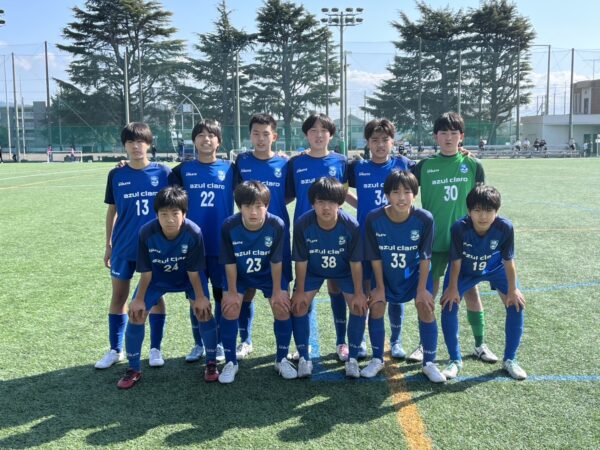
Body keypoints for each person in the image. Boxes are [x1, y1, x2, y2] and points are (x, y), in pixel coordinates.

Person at [409, 112, 496, 364]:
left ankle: (480, 344)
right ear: (435, 137)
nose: (448, 138)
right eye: (443, 133)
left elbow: (481, 203)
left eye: (454, 133)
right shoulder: (424, 166)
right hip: (433, 242)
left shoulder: (473, 165)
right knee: (429, 294)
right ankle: (424, 345)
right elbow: (402, 185)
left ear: (462, 136)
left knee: (471, 292)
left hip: (466, 241)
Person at [117, 186, 218, 389]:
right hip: (157, 279)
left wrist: (200, 297)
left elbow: (194, 271)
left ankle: (211, 363)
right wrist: (138, 299)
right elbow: (146, 272)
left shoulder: (193, 232)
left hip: (188, 278)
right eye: (163, 214)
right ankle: (133, 368)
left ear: (184, 214)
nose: (169, 219)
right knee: (136, 313)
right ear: (156, 215)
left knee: (204, 311)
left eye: (175, 213)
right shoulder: (146, 232)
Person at [96, 122, 172, 370]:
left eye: (141, 142)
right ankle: (115, 349)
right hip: (123, 246)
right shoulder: (116, 174)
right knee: (119, 296)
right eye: (130, 142)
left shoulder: (163, 173)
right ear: (124, 146)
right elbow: (112, 211)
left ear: (149, 144)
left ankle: (155, 348)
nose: (136, 146)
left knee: (155, 297)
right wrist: (108, 244)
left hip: (155, 247)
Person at [365, 170, 446, 382]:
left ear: (415, 195)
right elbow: (374, 256)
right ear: (386, 195)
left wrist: (422, 289)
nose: (401, 197)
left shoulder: (424, 218)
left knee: (425, 306)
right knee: (377, 304)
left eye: (407, 192)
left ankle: (429, 363)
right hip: (385, 274)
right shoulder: (374, 218)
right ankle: (377, 359)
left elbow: (425, 256)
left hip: (414, 276)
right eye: (395, 192)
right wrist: (379, 287)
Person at [440, 185, 527, 380]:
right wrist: (452, 288)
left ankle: (510, 359)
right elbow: (455, 261)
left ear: (497, 211)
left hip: (495, 268)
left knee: (517, 304)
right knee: (448, 304)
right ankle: (455, 360)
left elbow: (509, 260)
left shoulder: (505, 227)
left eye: (488, 210)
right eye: (477, 210)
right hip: (465, 271)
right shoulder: (459, 228)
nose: (483, 216)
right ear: (469, 211)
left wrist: (513, 289)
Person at [286, 113, 353, 362]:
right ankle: (305, 345)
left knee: (336, 285)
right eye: (313, 130)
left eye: (323, 130)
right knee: (305, 287)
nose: (318, 135)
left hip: (335, 234)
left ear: (331, 135)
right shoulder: (295, 163)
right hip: (305, 235)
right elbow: (288, 194)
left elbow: (343, 194)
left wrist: (366, 209)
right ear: (306, 134)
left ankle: (342, 342)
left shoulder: (341, 161)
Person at [347, 119, 415, 359]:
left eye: (385, 140)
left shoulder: (403, 164)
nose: (380, 144)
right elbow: (340, 189)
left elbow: (426, 171)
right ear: (367, 143)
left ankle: (396, 340)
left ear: (392, 142)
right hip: (366, 239)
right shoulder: (357, 167)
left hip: (395, 239)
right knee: (365, 288)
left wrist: (461, 150)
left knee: (395, 291)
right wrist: (360, 207)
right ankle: (363, 340)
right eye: (374, 140)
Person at [170, 119, 234, 364]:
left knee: (221, 295)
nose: (206, 139)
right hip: (193, 245)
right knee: (195, 296)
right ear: (194, 141)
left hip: (221, 244)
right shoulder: (182, 171)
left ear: (219, 141)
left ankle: (220, 342)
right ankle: (199, 343)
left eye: (211, 135)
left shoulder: (231, 168)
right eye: (200, 135)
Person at [218, 181, 296, 383]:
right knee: (230, 308)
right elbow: (229, 262)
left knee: (281, 307)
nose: (253, 212)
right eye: (247, 206)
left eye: (258, 206)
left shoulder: (276, 224)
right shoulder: (229, 225)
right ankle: (230, 362)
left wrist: (278, 291)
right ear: (239, 207)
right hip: (240, 274)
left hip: (269, 274)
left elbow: (276, 260)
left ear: (266, 206)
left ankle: (281, 359)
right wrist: (232, 292)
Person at [290, 177, 366, 379]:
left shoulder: (351, 225)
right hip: (313, 270)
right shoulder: (303, 224)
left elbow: (355, 263)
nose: (326, 207)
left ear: (339, 203)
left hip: (344, 271)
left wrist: (359, 293)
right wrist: (299, 291)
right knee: (298, 305)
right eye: (320, 202)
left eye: (331, 202)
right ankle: (304, 358)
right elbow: (301, 261)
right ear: (312, 203)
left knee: (359, 306)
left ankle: (352, 358)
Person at [232, 113, 291, 360]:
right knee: (246, 290)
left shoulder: (285, 164)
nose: (260, 138)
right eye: (255, 133)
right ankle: (245, 341)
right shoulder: (241, 161)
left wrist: (272, 208)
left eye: (265, 134)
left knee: (280, 294)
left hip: (278, 236)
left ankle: (284, 351)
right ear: (250, 136)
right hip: (246, 236)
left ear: (274, 136)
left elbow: (290, 193)